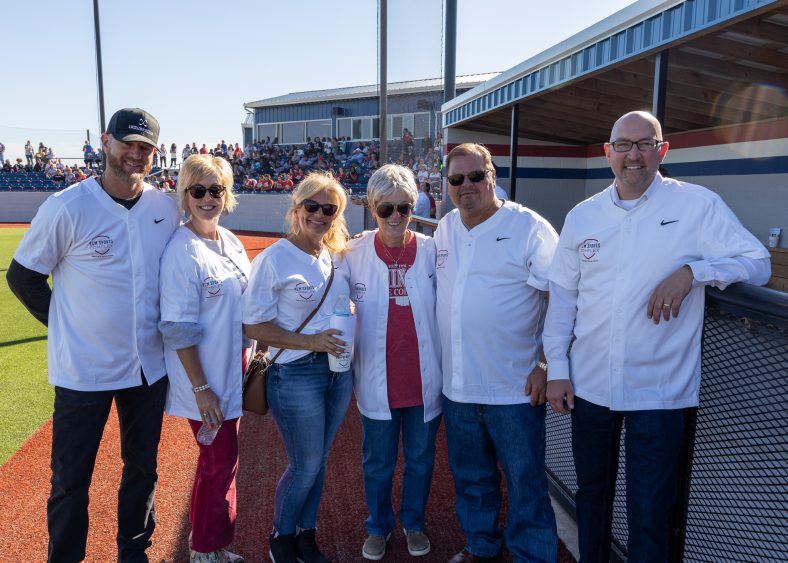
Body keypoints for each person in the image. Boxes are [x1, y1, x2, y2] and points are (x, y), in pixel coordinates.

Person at [544, 111, 771, 563]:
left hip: (660, 392)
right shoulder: (583, 215)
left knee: (650, 512)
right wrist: (557, 370)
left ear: (662, 150)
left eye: (644, 144)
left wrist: (694, 272)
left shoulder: (697, 205)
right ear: (608, 152)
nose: (634, 155)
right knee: (592, 499)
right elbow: (563, 300)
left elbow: (757, 261)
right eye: (624, 145)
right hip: (589, 386)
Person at [6, 108, 180, 562]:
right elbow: (22, 277)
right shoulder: (67, 206)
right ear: (106, 143)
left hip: (148, 368)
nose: (135, 154)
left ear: (154, 153)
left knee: (142, 470)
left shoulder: (164, 207)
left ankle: (133, 552)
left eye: (145, 147)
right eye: (128, 143)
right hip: (84, 371)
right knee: (70, 479)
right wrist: (65, 325)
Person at [435, 143, 559, 563]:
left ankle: (532, 555)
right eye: (456, 179)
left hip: (515, 390)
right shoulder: (446, 227)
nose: (465, 186)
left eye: (474, 176)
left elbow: (563, 299)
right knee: (471, 479)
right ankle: (481, 546)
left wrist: (546, 364)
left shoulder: (530, 227)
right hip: (458, 388)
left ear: (492, 177)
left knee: (526, 483)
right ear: (448, 185)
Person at [243, 171, 353, 563]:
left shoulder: (334, 255)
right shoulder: (275, 258)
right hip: (294, 373)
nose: (320, 214)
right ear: (297, 208)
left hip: (338, 372)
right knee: (305, 464)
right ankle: (281, 536)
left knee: (318, 460)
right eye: (313, 206)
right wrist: (311, 341)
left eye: (330, 208)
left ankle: (307, 533)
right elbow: (252, 324)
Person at [343, 165, 442, 560]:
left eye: (404, 206)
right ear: (371, 207)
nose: (396, 216)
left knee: (420, 461)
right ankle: (379, 526)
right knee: (378, 463)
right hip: (376, 380)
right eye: (386, 209)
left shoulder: (434, 250)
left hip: (423, 381)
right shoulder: (353, 252)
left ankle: (414, 523)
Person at [159, 155, 250, 563]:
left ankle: (214, 544)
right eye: (198, 190)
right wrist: (202, 390)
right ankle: (203, 550)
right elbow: (178, 329)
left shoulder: (227, 240)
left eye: (216, 190)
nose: (208, 198)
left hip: (233, 372)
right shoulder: (182, 250)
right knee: (218, 462)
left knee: (223, 462)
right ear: (185, 194)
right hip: (206, 382)